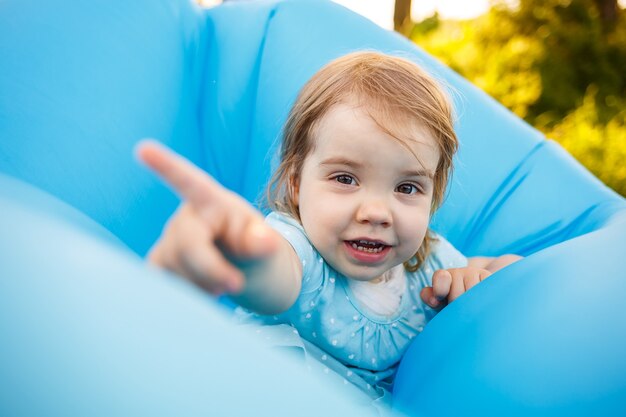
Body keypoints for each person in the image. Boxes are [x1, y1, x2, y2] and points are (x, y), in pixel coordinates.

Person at [137, 51, 521, 404]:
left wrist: (478, 279)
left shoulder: (428, 265)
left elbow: (512, 275)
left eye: (407, 187)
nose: (376, 212)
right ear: (296, 184)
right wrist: (244, 253)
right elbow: (276, 276)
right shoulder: (298, 249)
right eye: (345, 178)